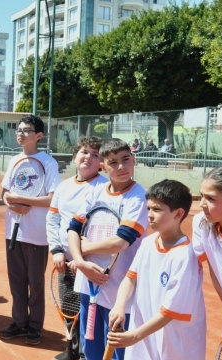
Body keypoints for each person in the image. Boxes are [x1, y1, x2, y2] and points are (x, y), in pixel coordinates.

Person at [67, 138, 149, 360]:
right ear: (103, 166)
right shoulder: (96, 192)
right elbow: (73, 228)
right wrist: (81, 262)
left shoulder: (138, 196)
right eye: (113, 162)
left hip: (120, 290)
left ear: (134, 161)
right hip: (89, 284)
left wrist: (85, 249)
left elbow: (121, 242)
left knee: (117, 352)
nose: (121, 167)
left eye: (125, 160)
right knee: (91, 347)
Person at [107, 180, 204, 359]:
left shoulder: (185, 257)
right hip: (144, 340)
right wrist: (120, 305)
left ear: (178, 214)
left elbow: (170, 311)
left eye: (157, 210)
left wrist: (135, 335)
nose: (150, 215)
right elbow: (130, 279)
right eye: (149, 208)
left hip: (176, 347)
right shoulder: (148, 243)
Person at [0, 115, 61, 345]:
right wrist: (11, 203)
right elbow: (5, 193)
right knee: (16, 281)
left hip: (36, 234)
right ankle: (19, 322)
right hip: (12, 231)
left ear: (39, 136)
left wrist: (22, 200)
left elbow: (52, 199)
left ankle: (35, 326)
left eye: (27, 130)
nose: (21, 133)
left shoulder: (49, 162)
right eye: (19, 129)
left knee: (35, 283)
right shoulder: (14, 160)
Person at [46, 136, 107, 360]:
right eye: (84, 152)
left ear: (101, 162)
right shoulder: (63, 187)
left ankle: (84, 353)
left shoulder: (103, 188)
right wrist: (58, 251)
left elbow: (101, 228)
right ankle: (72, 349)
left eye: (95, 154)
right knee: (69, 307)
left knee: (90, 312)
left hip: (90, 264)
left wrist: (80, 258)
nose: (88, 157)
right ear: (75, 156)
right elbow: (53, 220)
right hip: (64, 261)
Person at [192, 165, 222, 354]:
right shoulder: (201, 223)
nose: (201, 204)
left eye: (211, 198)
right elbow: (214, 271)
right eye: (202, 196)